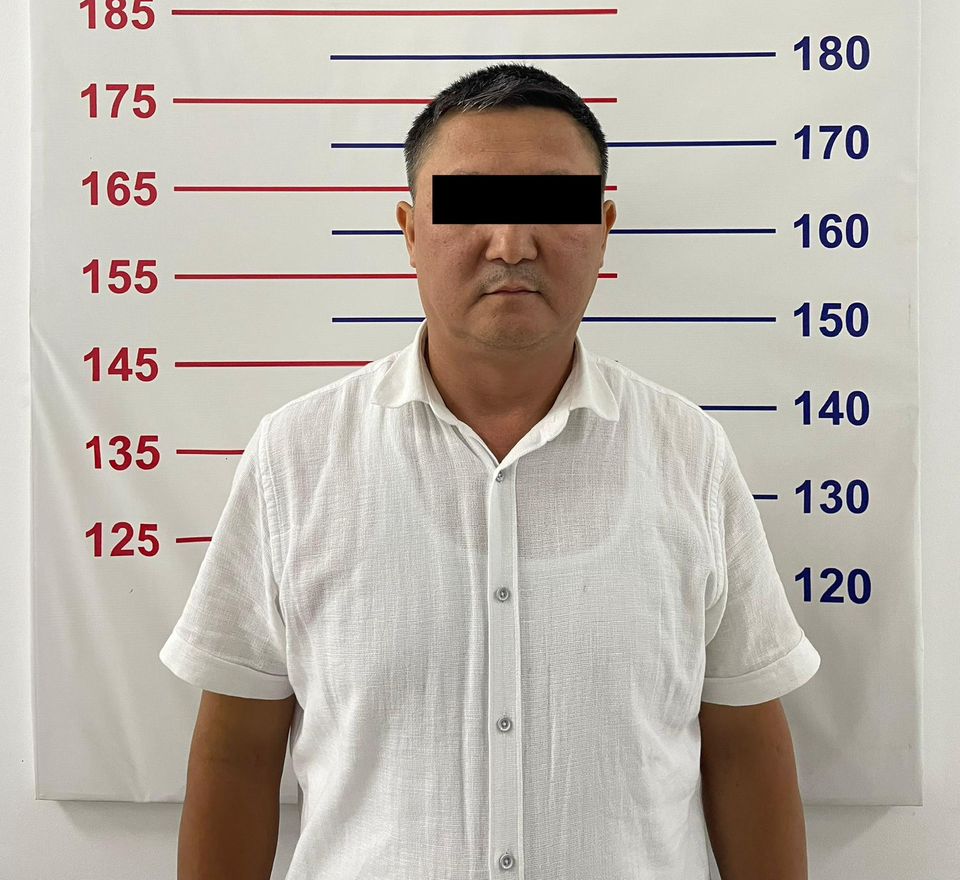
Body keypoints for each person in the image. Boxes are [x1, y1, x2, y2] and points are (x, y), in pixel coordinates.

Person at [161, 62, 820, 879]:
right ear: (409, 230)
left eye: (552, 205)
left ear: (604, 228)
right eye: (469, 206)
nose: (510, 244)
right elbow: (235, 753)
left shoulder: (691, 455)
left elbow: (745, 745)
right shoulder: (294, 458)